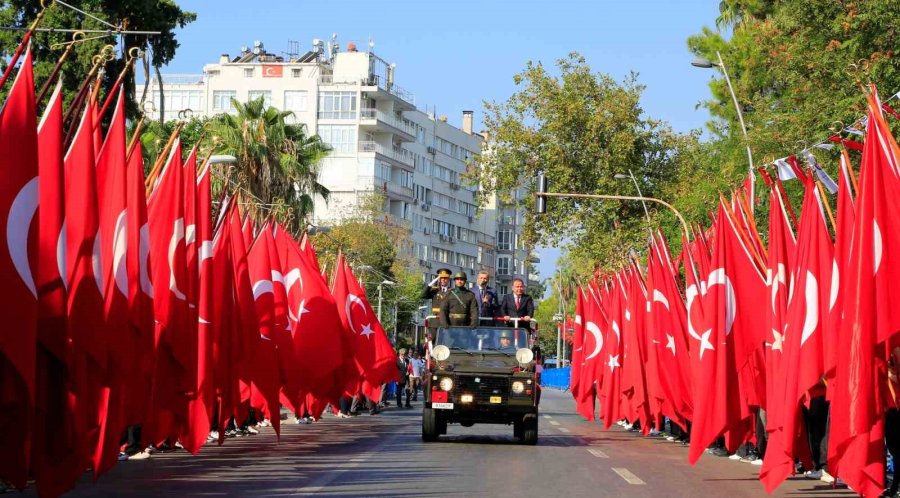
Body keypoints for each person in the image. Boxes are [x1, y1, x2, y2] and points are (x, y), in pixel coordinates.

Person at [421, 268, 452, 339]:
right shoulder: (434, 290)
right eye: (441, 278)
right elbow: (423, 295)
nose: (443, 280)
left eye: (445, 278)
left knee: (446, 343)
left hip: (447, 320)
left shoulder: (452, 291)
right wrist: (430, 284)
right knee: (434, 341)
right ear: (439, 279)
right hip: (435, 322)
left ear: (448, 279)